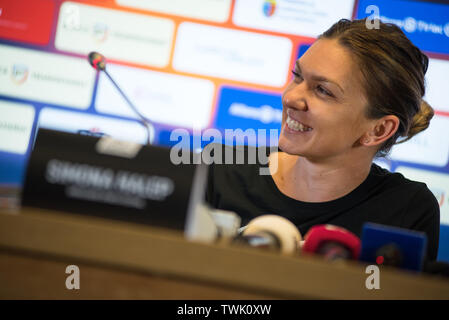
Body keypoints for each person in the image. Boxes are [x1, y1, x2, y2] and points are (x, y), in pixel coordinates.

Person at [205, 18, 440, 261]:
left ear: (378, 130)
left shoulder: (408, 209)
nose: (291, 98)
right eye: (297, 76)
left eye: (323, 90)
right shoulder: (222, 171)